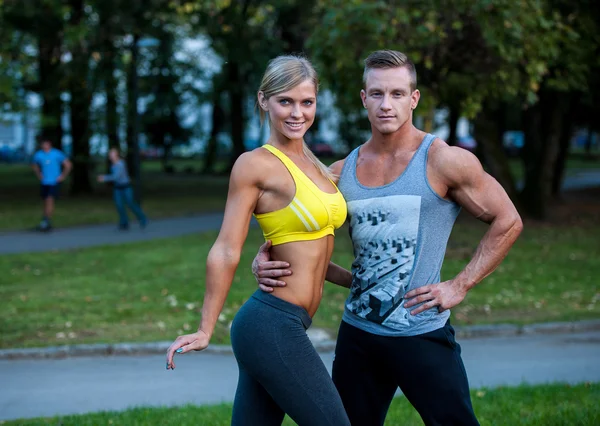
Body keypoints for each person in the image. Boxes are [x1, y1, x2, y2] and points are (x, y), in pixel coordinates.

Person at [253, 50, 523, 426]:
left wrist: (460, 285)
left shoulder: (443, 161)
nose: (386, 104)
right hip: (359, 338)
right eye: (377, 94)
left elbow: (508, 220)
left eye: (397, 94)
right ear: (364, 98)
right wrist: (269, 258)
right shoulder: (340, 172)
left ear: (413, 99)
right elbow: (301, 236)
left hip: (422, 332)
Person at [165, 55, 351, 426]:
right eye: (285, 101)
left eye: (307, 102)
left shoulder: (321, 169)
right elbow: (226, 247)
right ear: (264, 100)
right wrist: (205, 328)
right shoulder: (255, 165)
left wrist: (355, 281)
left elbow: (310, 256)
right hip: (271, 325)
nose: (297, 113)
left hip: (284, 324)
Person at [97, 148, 147, 230]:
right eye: (110, 154)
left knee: (130, 204)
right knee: (119, 205)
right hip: (117, 188)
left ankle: (142, 218)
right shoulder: (113, 165)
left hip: (126, 187)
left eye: (113, 154)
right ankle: (124, 222)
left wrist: (104, 178)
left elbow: (116, 177)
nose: (111, 156)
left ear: (117, 155)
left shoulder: (121, 164)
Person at [31, 138, 72, 231]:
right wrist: (39, 174)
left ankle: (46, 221)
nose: (44, 146)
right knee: (45, 201)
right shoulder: (39, 155)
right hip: (44, 182)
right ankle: (45, 220)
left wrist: (62, 176)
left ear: (50, 144)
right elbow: (34, 165)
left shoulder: (56, 153)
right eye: (43, 144)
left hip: (54, 182)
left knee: (50, 200)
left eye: (46, 144)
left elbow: (68, 164)